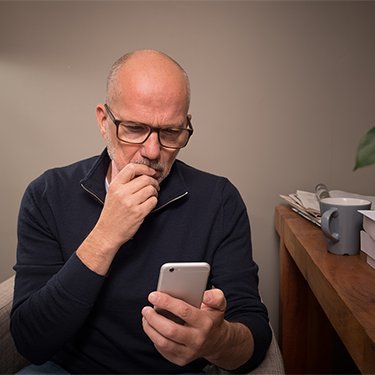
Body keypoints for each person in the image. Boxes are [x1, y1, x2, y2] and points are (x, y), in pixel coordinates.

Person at [10, 50, 272, 375]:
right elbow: (29, 340)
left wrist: (217, 341)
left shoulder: (219, 200)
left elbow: (254, 331)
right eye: (134, 128)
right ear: (104, 122)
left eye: (171, 133)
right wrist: (106, 234)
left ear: (186, 126)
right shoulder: (48, 194)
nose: (152, 152)